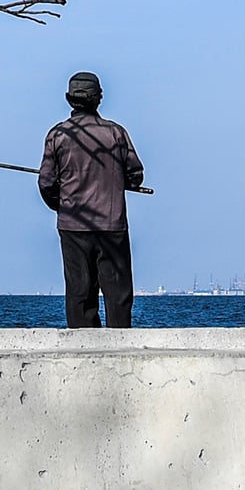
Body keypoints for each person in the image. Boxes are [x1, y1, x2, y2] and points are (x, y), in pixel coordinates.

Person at [39, 70, 148, 328]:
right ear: (98, 98)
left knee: (79, 293)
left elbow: (46, 182)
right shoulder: (116, 133)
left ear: (69, 99)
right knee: (117, 293)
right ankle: (119, 346)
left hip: (72, 224)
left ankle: (82, 350)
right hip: (112, 226)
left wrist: (62, 205)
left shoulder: (57, 135)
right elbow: (136, 174)